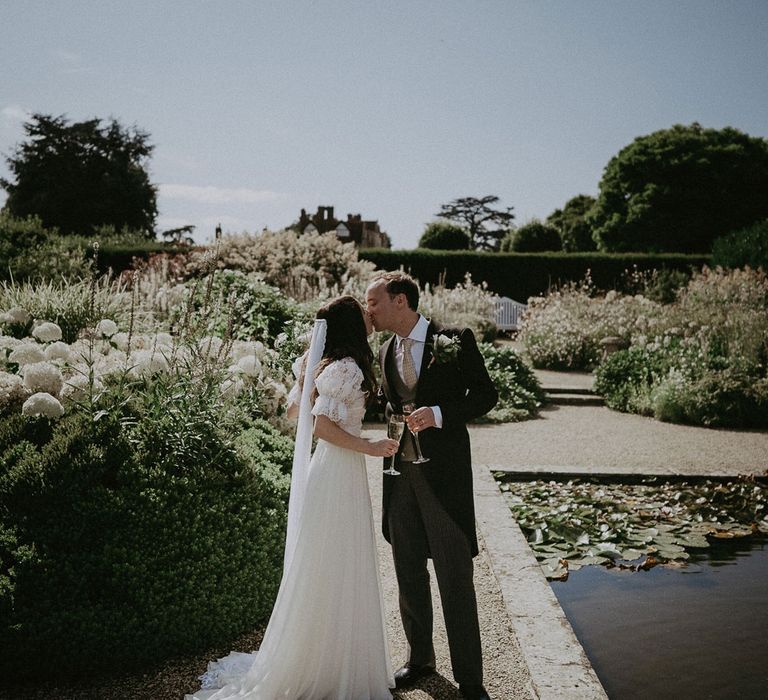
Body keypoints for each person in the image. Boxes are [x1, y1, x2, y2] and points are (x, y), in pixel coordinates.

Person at [187, 295, 399, 700]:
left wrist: (309, 387)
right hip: (340, 471)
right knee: (339, 561)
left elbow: (292, 414)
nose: (372, 318)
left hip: (328, 471)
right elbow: (321, 427)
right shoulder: (345, 369)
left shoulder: (316, 364)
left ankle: (317, 654)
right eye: (365, 314)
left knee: (323, 562)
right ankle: (332, 666)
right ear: (353, 327)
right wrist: (368, 445)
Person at [365, 272, 498, 700]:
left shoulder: (455, 339)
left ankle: (471, 681)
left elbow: (485, 395)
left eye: (374, 302)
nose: (370, 311)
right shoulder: (385, 351)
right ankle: (420, 658)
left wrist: (438, 413)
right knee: (408, 574)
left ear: (400, 301)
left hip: (443, 480)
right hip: (399, 480)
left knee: (454, 579)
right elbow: (386, 404)